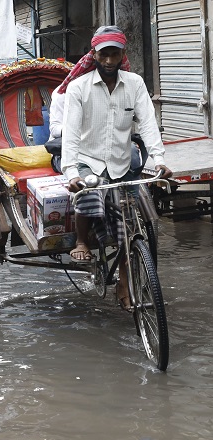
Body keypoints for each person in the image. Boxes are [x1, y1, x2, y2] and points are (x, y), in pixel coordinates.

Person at [60, 26, 173, 311]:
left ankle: (125, 278)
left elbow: (147, 123)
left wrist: (159, 159)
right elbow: (71, 134)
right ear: (95, 55)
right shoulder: (79, 87)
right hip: (89, 159)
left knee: (131, 219)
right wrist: (71, 172)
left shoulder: (134, 83)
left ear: (123, 54)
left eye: (115, 54)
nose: (109, 61)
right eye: (104, 54)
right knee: (89, 189)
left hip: (123, 160)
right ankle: (83, 241)